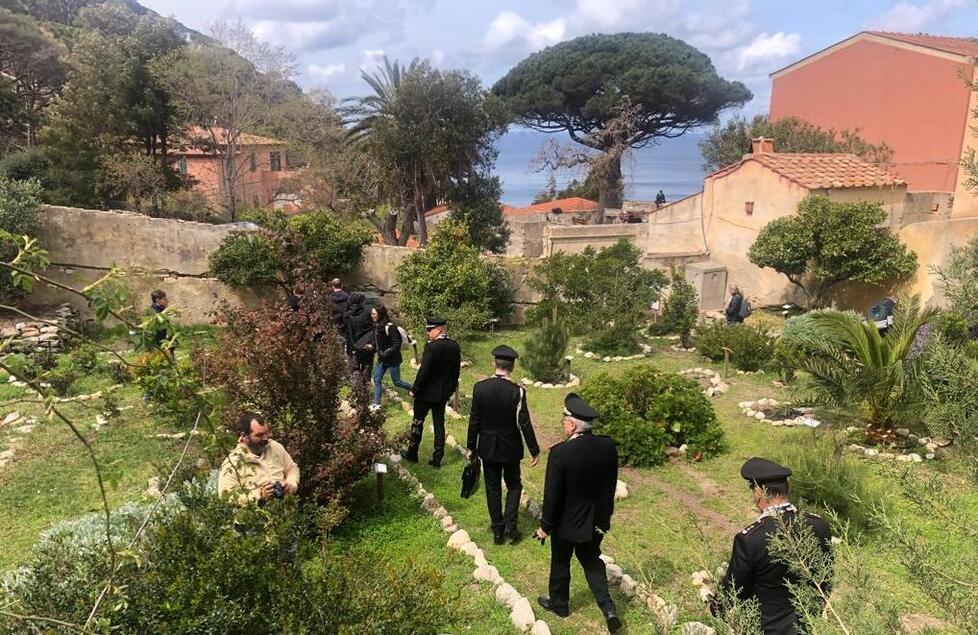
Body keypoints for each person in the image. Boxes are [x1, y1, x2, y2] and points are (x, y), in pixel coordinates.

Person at [710, 457, 833, 634]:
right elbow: (825, 579)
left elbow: (732, 593)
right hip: (808, 627)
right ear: (789, 488)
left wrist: (715, 607)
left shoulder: (751, 538)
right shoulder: (819, 526)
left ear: (760, 491)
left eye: (753, 490)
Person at [536, 394, 622, 633]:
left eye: (564, 418)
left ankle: (560, 604)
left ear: (572, 424)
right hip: (596, 519)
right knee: (592, 561)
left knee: (561, 562)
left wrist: (545, 525)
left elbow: (552, 495)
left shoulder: (560, 453)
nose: (563, 423)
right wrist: (605, 517)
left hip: (566, 523)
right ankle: (608, 609)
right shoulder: (608, 446)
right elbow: (610, 484)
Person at [466, 345, 541, 545]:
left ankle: (498, 531)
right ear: (512, 366)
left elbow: (474, 420)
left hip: (488, 446)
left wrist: (471, 446)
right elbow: (524, 422)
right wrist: (534, 450)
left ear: (494, 364)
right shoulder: (518, 391)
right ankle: (510, 525)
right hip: (510, 448)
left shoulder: (480, 388)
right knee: (514, 485)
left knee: (492, 489)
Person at [402, 317, 461, 468]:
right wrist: (450, 390)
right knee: (439, 424)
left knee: (417, 422)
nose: (428, 332)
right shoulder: (455, 346)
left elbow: (424, 372)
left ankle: (412, 453)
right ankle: (437, 458)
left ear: (439, 329)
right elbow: (456, 372)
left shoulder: (432, 347)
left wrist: (415, 390)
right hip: (442, 394)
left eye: (430, 329)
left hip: (426, 393)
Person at [218, 412, 299, 505]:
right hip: (255, 517)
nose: (265, 438)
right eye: (259, 435)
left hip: (286, 512)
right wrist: (260, 496)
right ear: (244, 436)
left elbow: (292, 469)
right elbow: (226, 498)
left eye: (266, 432)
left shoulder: (275, 447)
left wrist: (291, 483)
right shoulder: (232, 463)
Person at [366, 304, 412, 412]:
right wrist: (373, 347)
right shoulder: (376, 326)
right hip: (382, 359)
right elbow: (379, 342)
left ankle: (416, 389)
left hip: (392, 359)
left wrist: (386, 352)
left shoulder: (390, 327)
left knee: (397, 382)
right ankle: (377, 404)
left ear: (380, 314)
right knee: (377, 379)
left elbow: (397, 343)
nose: (372, 315)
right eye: (371, 314)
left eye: (374, 314)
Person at [344, 292, 374, 376]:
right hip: (366, 345)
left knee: (353, 370)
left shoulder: (346, 315)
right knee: (366, 370)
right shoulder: (368, 313)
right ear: (362, 302)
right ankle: (366, 387)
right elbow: (373, 328)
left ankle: (356, 388)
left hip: (352, 345)